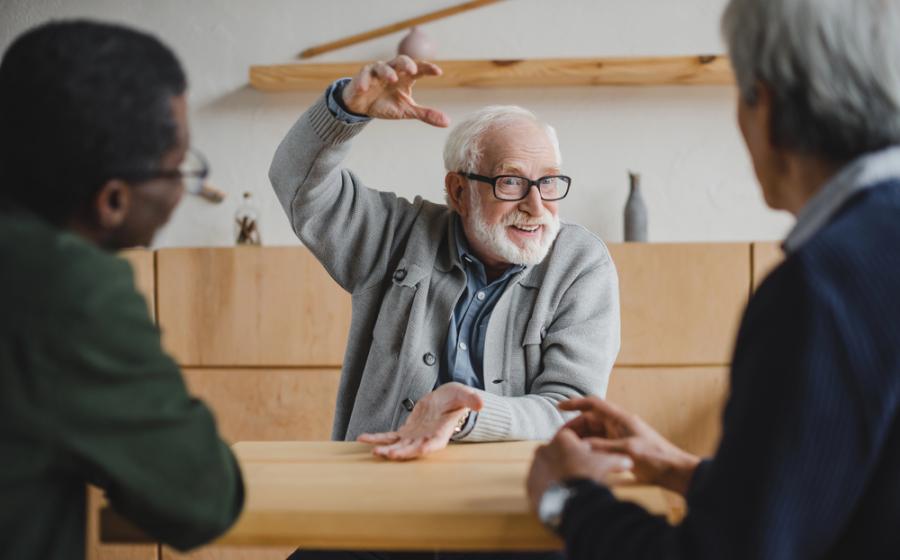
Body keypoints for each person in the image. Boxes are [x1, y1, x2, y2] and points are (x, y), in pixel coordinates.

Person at [526, 0, 900, 557]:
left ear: (764, 107)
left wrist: (569, 499)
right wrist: (684, 470)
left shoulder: (817, 290)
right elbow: (839, 490)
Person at [269, 56, 620, 463]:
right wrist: (345, 112)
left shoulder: (581, 264)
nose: (535, 205)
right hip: (379, 476)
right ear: (458, 192)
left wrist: (465, 417)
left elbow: (571, 410)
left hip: (511, 489)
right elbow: (296, 183)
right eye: (511, 182)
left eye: (548, 182)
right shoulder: (393, 236)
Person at [0, 21, 243, 559]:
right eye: (179, 168)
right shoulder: (65, 288)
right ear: (112, 200)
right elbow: (201, 499)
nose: (183, 187)